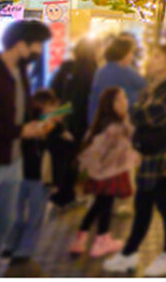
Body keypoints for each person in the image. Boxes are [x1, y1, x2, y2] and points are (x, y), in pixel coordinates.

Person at [103, 42, 166, 276]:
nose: (152, 60)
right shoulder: (159, 84)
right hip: (155, 152)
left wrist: (129, 111)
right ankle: (129, 253)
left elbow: (152, 114)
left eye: (158, 57)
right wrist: (136, 110)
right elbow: (146, 111)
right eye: (153, 55)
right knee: (143, 204)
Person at [0, 20, 55, 278]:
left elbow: (18, 111)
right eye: (38, 45)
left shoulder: (20, 72)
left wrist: (37, 122)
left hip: (14, 162)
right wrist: (19, 131)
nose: (39, 51)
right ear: (21, 45)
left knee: (3, 224)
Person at [72, 87, 139, 259]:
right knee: (105, 205)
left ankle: (81, 238)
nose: (126, 101)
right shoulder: (115, 128)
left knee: (99, 204)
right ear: (113, 104)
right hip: (110, 172)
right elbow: (127, 144)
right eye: (122, 98)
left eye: (125, 97)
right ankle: (102, 241)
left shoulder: (104, 122)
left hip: (100, 173)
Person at [4, 89, 61, 267]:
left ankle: (22, 249)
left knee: (32, 215)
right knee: (19, 214)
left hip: (38, 176)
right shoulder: (28, 124)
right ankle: (13, 245)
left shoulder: (55, 127)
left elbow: (59, 151)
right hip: (24, 173)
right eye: (48, 106)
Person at [48, 37, 99, 209]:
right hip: (77, 121)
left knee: (59, 158)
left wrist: (56, 114)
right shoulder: (91, 70)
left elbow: (54, 90)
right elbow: (81, 101)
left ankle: (57, 193)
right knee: (72, 160)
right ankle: (66, 196)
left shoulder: (67, 66)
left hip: (59, 117)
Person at [88, 34, 146, 125]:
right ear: (124, 53)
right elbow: (144, 88)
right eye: (131, 53)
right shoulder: (125, 71)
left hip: (98, 121)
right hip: (117, 123)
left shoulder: (101, 71)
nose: (132, 56)